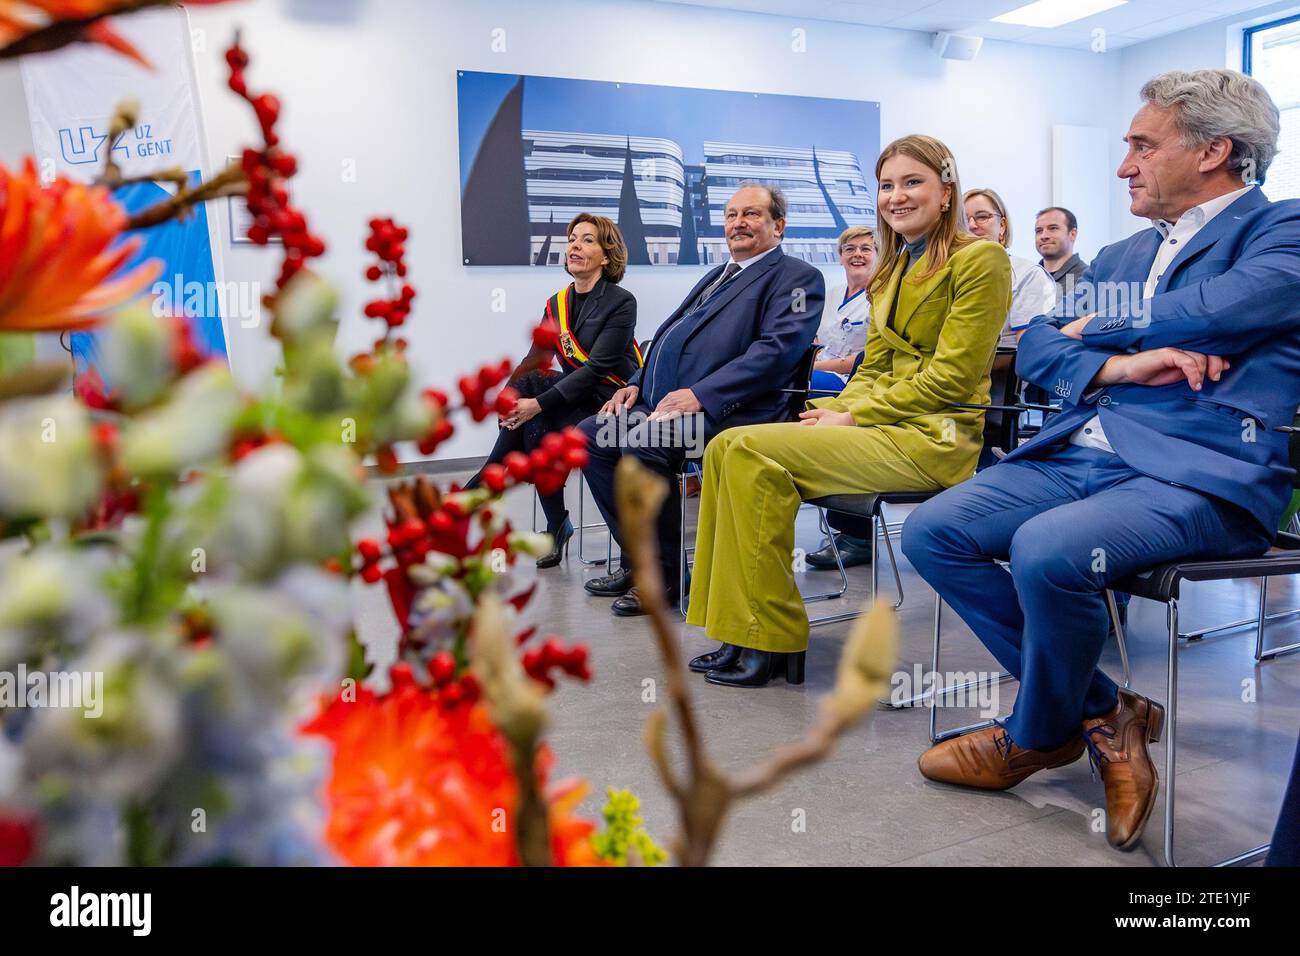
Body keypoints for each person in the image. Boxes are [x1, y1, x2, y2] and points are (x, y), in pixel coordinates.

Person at [902, 69, 1300, 853]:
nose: (1124, 166)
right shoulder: (1121, 252)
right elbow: (1038, 347)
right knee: (932, 531)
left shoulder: (1280, 229)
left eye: (1143, 146)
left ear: (1215, 151)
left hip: (1199, 473)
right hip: (1085, 451)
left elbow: (1223, 309)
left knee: (1048, 549)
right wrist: (1122, 365)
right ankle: (1104, 714)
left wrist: (1096, 329)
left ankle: (1034, 733)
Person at [685, 134, 1011, 688]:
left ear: (946, 191)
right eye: (887, 185)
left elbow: (953, 378)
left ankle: (768, 634)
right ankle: (741, 628)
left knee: (749, 449)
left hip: (934, 437)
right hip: (883, 426)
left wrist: (854, 417)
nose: (896, 196)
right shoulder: (893, 268)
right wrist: (834, 409)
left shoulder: (981, 259)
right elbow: (874, 365)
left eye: (912, 182)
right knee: (725, 447)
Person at [577, 183, 824, 616]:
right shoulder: (719, 274)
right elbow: (674, 338)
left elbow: (777, 352)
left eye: (751, 214)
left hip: (736, 416)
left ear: (779, 225)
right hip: (663, 407)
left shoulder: (797, 279)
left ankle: (667, 577)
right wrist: (636, 381)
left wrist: (701, 395)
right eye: (731, 215)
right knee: (591, 436)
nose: (738, 223)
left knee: (643, 442)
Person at [466, 213, 640, 568]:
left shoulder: (621, 302)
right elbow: (534, 359)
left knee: (536, 405)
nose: (575, 246)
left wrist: (534, 403)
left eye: (587, 240)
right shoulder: (556, 304)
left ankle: (494, 485)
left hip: (611, 401)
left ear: (606, 255)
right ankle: (546, 518)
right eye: (572, 239)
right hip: (574, 400)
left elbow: (595, 370)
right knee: (534, 416)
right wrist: (507, 402)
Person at [964, 188, 1057, 347]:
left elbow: (1031, 348)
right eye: (963, 220)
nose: (971, 225)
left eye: (982, 217)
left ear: (1002, 226)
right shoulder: (945, 273)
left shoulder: (1028, 275)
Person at [811, 226, 875, 393]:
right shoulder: (830, 295)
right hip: (818, 370)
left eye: (866, 249)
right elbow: (816, 340)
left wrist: (812, 367)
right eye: (849, 249)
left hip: (855, 380)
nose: (857, 254)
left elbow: (871, 357)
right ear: (840, 257)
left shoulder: (882, 297)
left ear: (878, 257)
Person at [1034, 205, 1087, 300]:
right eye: (1039, 231)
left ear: (1073, 234)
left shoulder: (1087, 278)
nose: (1044, 236)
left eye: (1053, 228)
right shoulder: (1028, 278)